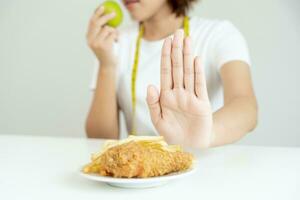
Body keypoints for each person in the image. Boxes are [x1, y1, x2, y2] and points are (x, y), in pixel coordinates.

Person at [85, 0, 258, 148]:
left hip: (204, 172)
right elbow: (100, 139)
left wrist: (206, 135)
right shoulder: (112, 41)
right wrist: (106, 66)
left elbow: (245, 106)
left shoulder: (218, 34)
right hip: (143, 176)